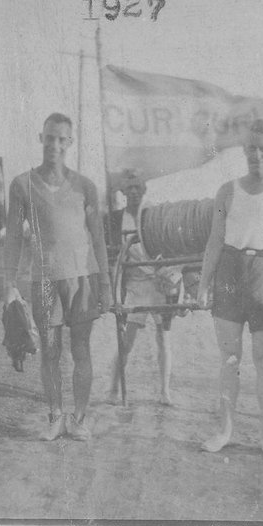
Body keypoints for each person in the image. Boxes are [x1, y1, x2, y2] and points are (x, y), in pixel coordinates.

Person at [197, 119, 263, 459]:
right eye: (251, 148)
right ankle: (225, 431)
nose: (257, 154)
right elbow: (214, 240)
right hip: (230, 274)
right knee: (229, 360)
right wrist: (203, 282)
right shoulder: (225, 192)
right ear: (244, 151)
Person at [3, 112, 111, 441]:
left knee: (81, 349)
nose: (54, 144)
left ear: (70, 143)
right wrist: (9, 285)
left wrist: (105, 284)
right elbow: (12, 238)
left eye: (61, 139)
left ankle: (78, 418)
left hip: (82, 278)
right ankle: (55, 416)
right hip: (45, 279)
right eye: (49, 137)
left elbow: (98, 238)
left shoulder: (86, 186)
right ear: (41, 138)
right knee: (50, 351)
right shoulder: (22, 184)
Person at [106, 170, 181, 406]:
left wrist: (168, 274)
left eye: (138, 187)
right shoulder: (115, 218)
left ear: (145, 188)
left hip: (159, 282)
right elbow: (112, 252)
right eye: (129, 188)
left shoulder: (155, 213)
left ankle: (164, 391)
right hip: (135, 283)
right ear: (123, 191)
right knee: (126, 340)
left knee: (163, 337)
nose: (134, 192)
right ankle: (113, 389)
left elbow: (170, 245)